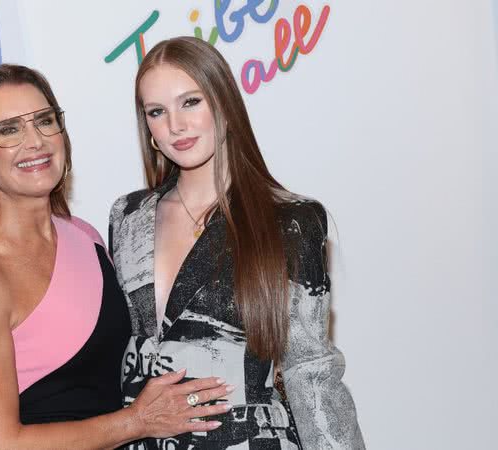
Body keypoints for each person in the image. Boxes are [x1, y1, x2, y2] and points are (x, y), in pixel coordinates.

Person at [0, 64, 234, 449]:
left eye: (44, 121)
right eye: (9, 130)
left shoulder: (85, 236)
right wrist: (137, 422)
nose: (34, 140)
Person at [108, 37, 364, 449]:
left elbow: (309, 369)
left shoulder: (290, 220)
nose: (175, 125)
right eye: (157, 111)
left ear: (224, 104)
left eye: (190, 102)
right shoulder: (128, 217)